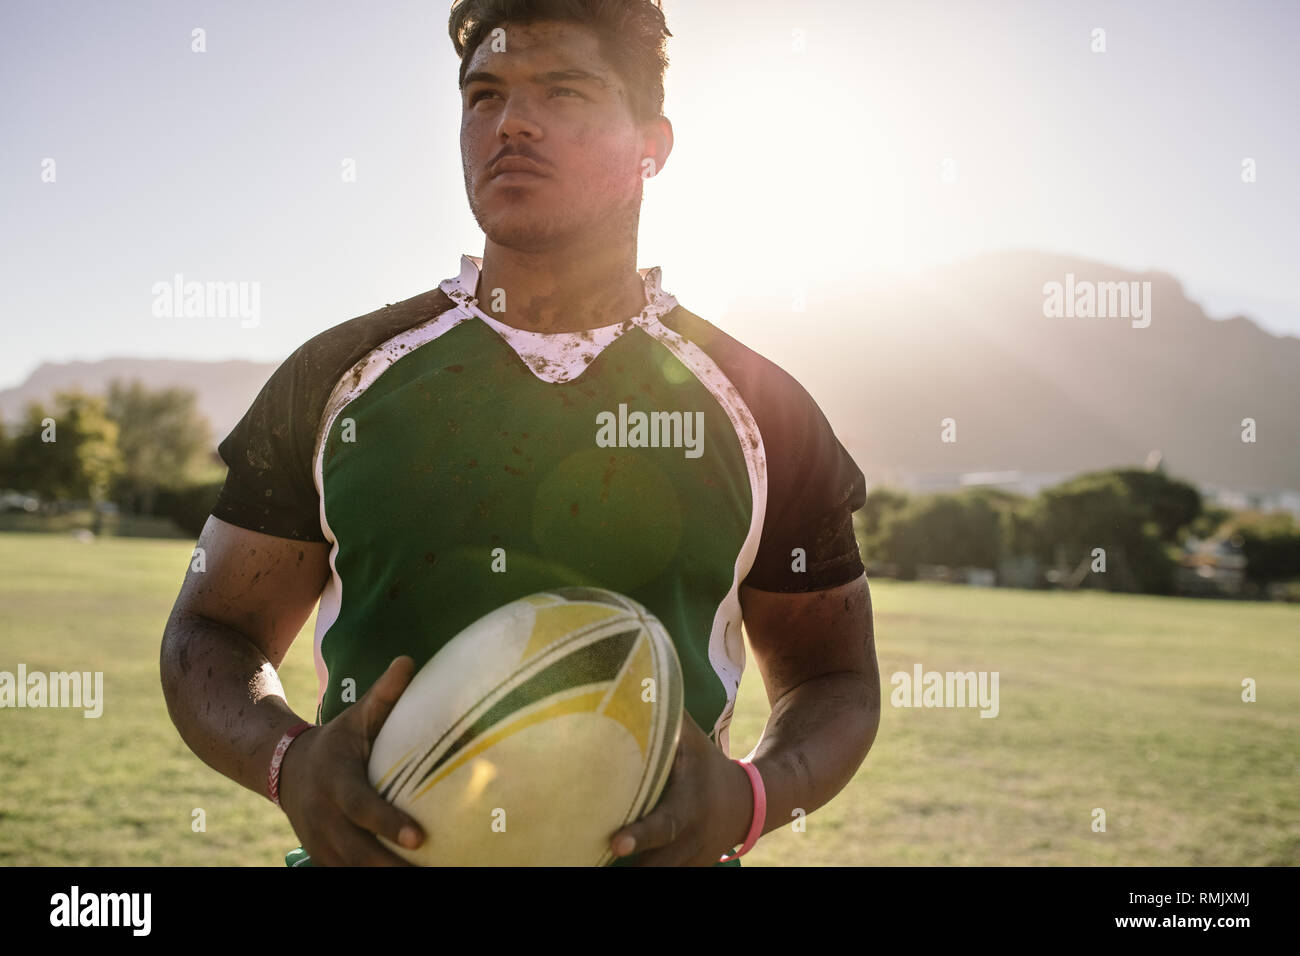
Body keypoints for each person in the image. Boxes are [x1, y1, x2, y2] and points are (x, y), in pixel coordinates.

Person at [160, 0, 880, 867]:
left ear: (653, 144)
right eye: (484, 95)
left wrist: (750, 797)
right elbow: (213, 630)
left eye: (564, 92)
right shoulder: (338, 377)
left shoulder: (763, 408)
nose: (513, 124)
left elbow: (831, 677)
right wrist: (292, 761)